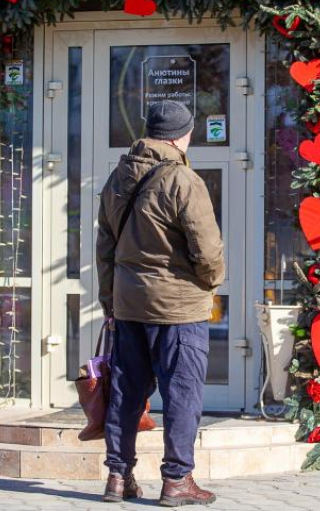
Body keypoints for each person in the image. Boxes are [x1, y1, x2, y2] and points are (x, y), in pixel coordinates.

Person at [96, 100, 225, 507]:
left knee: (125, 394)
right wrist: (211, 282)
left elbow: (105, 248)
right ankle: (176, 481)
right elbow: (207, 250)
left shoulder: (118, 177)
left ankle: (118, 477)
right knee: (182, 395)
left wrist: (110, 300)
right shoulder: (185, 181)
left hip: (129, 305)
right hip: (178, 309)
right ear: (182, 136)